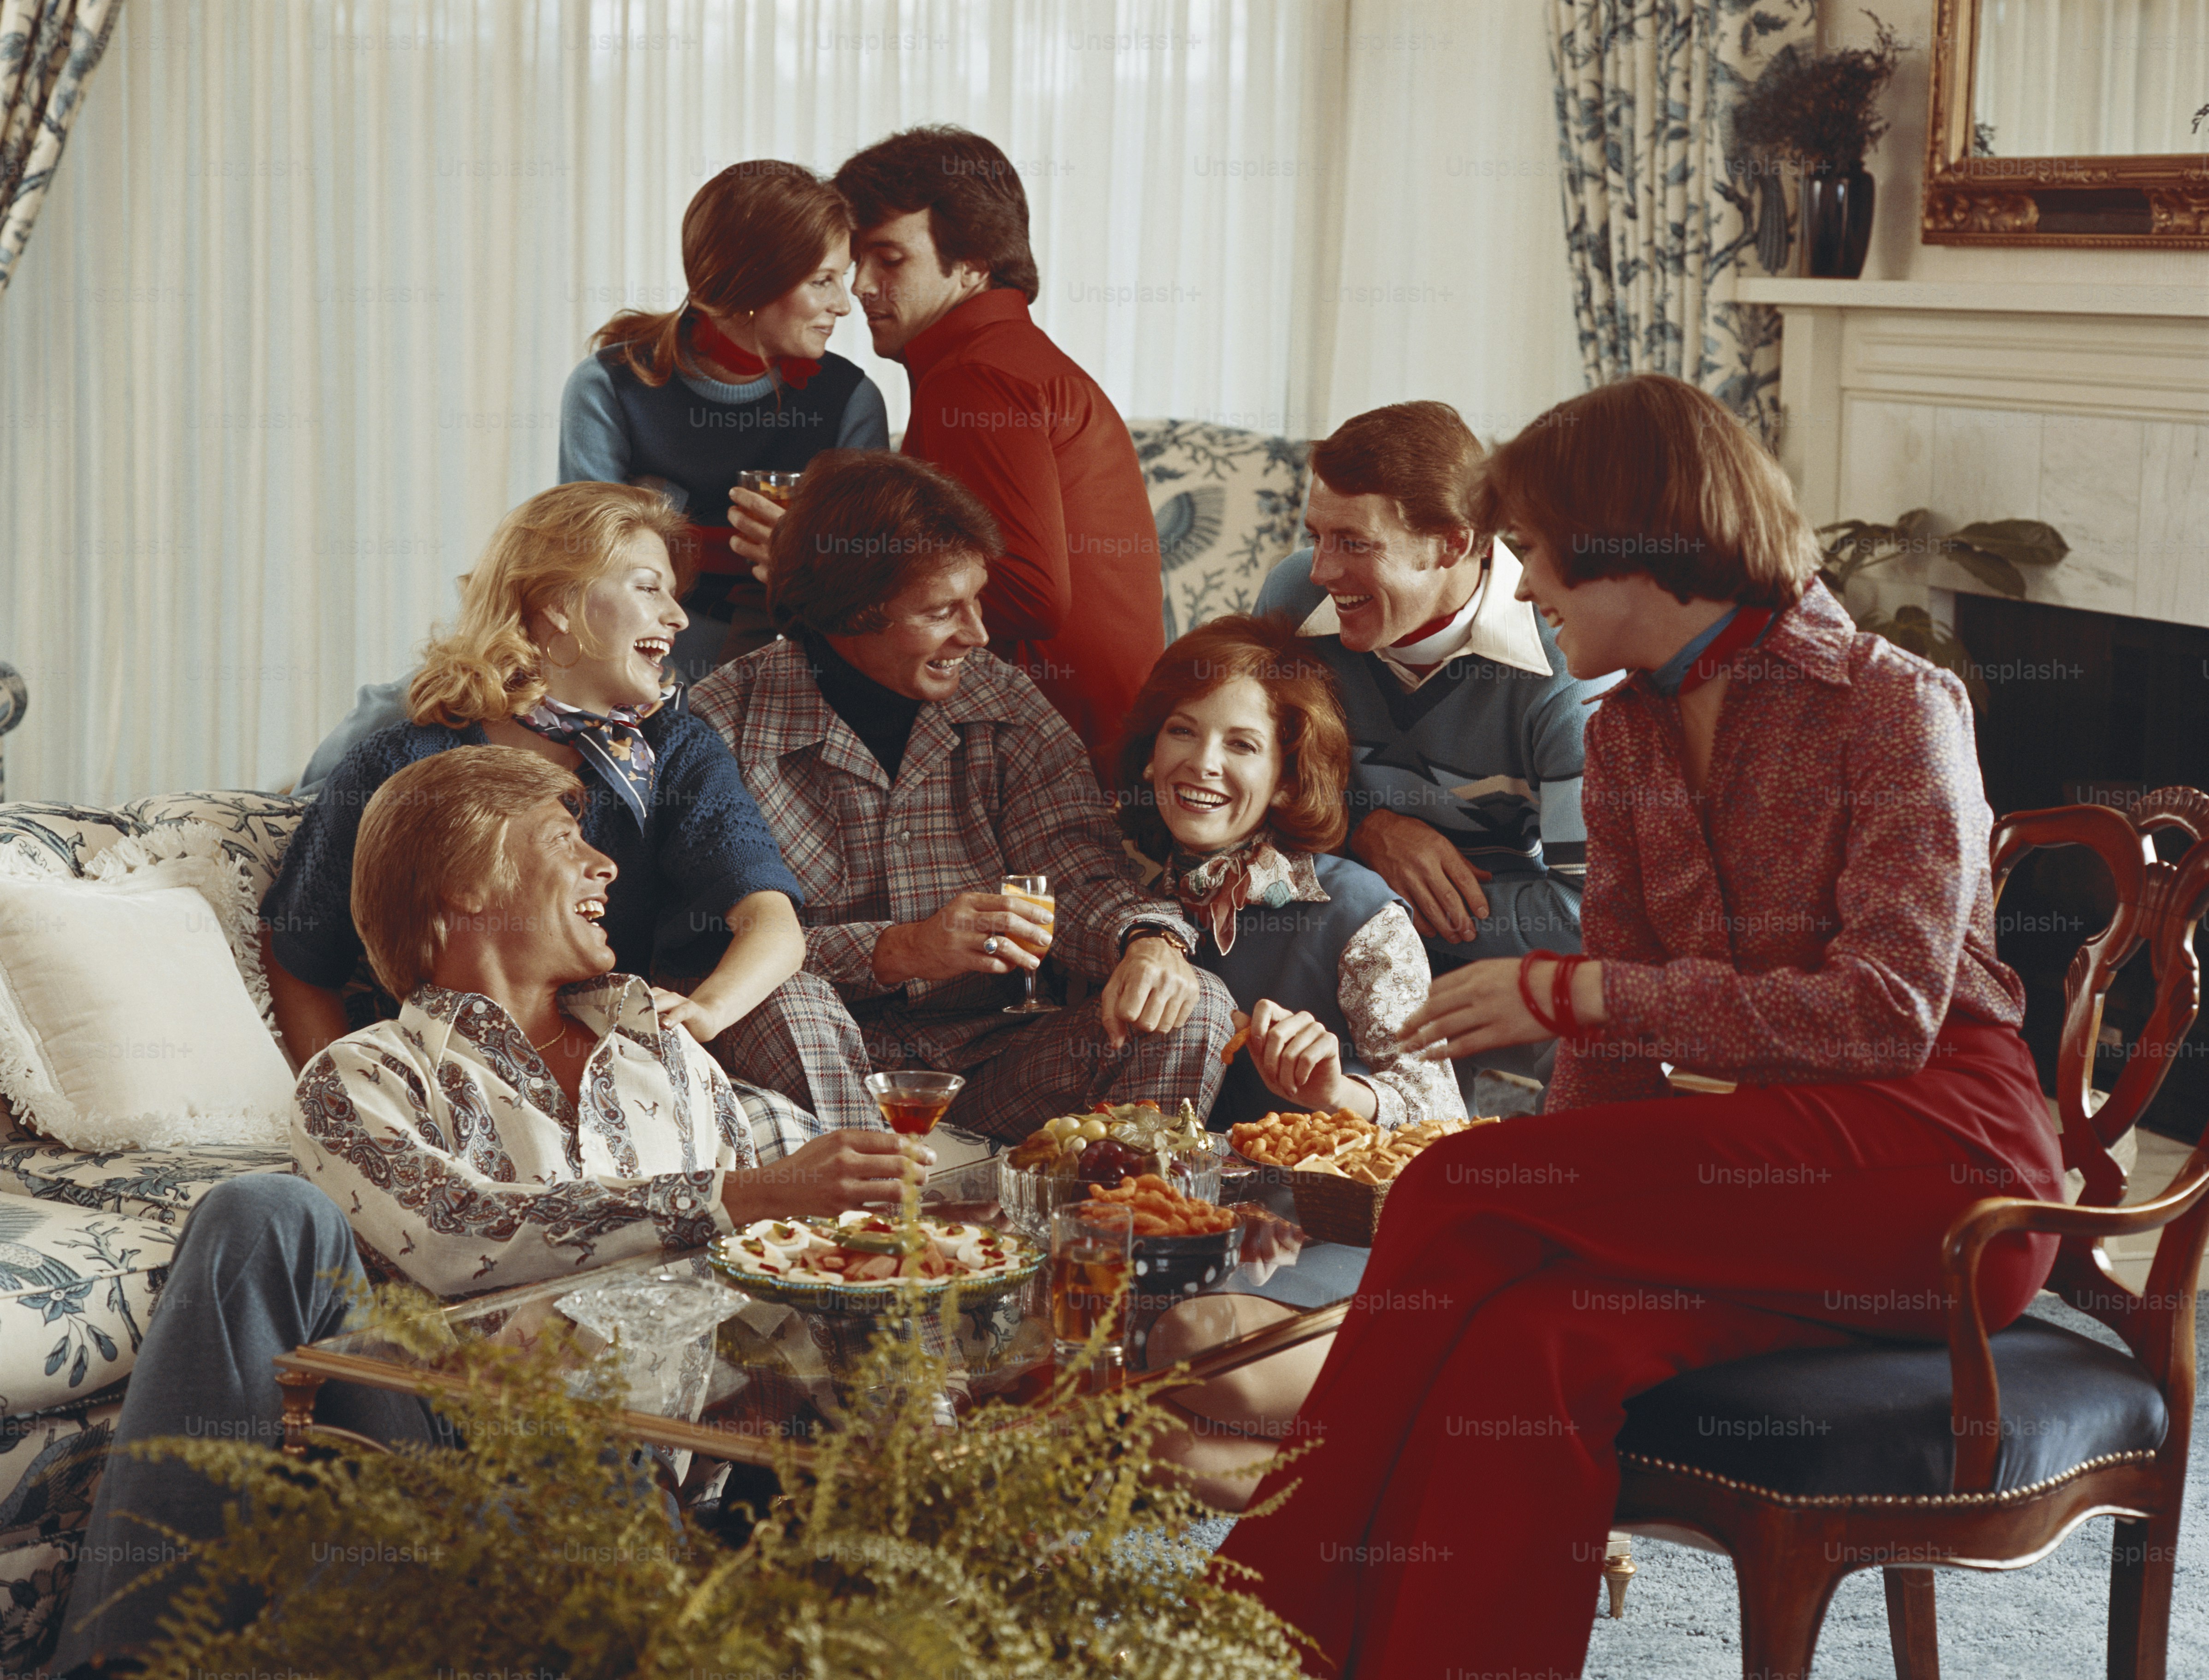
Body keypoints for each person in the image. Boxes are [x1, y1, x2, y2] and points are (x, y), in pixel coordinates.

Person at [1216, 374, 2067, 1677]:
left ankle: (1238, 1637)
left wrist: (1573, 997)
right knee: (1530, 1337)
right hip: (1771, 1170)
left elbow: (1884, 1013)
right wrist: (1550, 1177)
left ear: (1634, 542)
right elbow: (1608, 1052)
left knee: (1452, 1185)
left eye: (1540, 552)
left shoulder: (1894, 706)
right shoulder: (1627, 734)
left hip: (1945, 1173)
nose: (1528, 584)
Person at [54, 747, 921, 1672]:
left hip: (624, 1470)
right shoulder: (362, 1076)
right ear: (467, 883)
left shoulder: (671, 1060)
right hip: (438, 1437)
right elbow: (454, 1232)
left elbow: (769, 1264)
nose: (607, 865)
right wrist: (730, 1197)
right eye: (566, 841)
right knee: (261, 1208)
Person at [293, 160, 888, 790]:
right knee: (407, 701)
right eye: (823, 281)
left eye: (840, 281)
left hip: (761, 647)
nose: (843, 305)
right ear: (749, 281)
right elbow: (583, 561)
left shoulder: (851, 403)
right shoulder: (611, 385)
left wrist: (800, 563)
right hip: (604, 627)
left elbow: (863, 594)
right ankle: (296, 821)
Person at [691, 449, 1232, 1140]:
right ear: (854, 609)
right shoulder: (722, 725)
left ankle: (1103, 1233)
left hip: (1000, 1063)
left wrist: (1149, 940)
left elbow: (1079, 874)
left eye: (976, 600)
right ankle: (878, 1226)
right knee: (781, 998)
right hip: (825, 1066)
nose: (977, 634)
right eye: (945, 610)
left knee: (1197, 1005)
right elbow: (700, 958)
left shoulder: (1004, 702)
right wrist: (899, 949)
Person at [262, 484, 811, 1143]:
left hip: (615, 1077)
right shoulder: (403, 759)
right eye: (648, 588)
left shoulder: (676, 750)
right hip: (453, 1078)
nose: (679, 617)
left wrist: (705, 1014)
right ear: (559, 603)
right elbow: (299, 956)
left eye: (672, 592)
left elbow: (772, 922)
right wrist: (360, 1116)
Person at [728, 125, 1162, 783]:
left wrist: (812, 558)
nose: (862, 290)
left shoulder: (975, 376)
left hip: (1051, 764)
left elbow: (1027, 594)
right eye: (854, 267)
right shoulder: (1004, 361)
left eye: (889, 260)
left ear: (973, 264)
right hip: (1078, 740)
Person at [1253, 400, 1612, 1105]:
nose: (1322, 568)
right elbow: (1249, 786)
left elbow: (1585, 916)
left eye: (1354, 543)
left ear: (1452, 543)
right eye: (1316, 536)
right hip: (1328, 944)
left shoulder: (1571, 658)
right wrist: (1368, 833)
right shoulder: (1294, 596)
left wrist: (1375, 904)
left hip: (1497, 968)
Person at [1116, 613, 1463, 1134]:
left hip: (1307, 1208)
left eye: (1242, 745)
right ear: (1150, 757)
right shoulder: (1117, 903)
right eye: (1182, 731)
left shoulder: (1359, 910)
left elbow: (1442, 1117)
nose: (1203, 763)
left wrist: (1337, 1093)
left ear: (1286, 779)